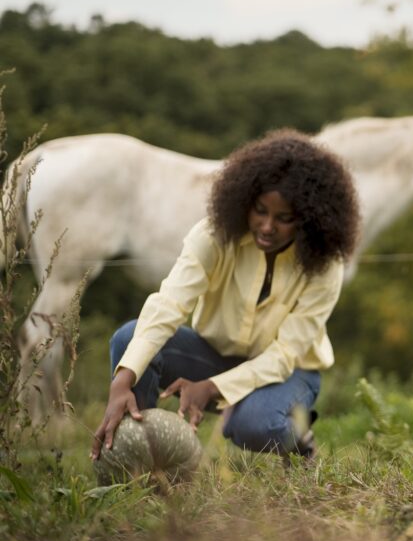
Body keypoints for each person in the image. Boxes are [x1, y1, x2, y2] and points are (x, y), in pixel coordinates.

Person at [91, 129, 360, 462]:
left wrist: (212, 387)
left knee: (255, 426)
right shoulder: (213, 236)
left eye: (284, 218)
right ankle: (146, 459)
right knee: (128, 339)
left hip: (290, 370)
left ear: (308, 219)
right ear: (245, 200)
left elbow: (284, 355)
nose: (267, 226)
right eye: (260, 210)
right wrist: (123, 379)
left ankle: (298, 437)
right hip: (214, 354)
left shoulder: (325, 264)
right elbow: (169, 304)